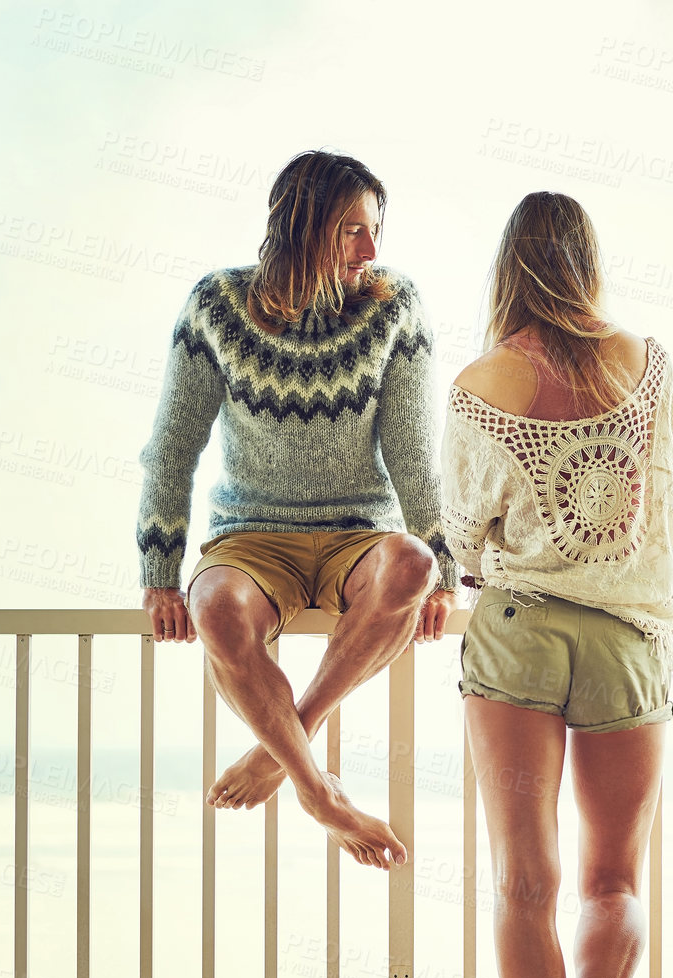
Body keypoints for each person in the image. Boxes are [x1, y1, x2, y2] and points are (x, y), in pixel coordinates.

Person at [441, 192, 673, 978]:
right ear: (586, 260)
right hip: (626, 643)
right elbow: (669, 511)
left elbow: (465, 538)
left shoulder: (481, 381)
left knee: (524, 881)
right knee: (611, 877)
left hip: (515, 638)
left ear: (509, 263)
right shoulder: (651, 366)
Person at [136, 150, 456, 871]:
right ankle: (319, 792)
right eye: (350, 230)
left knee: (412, 562)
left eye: (374, 229)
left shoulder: (393, 306)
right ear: (300, 226)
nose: (370, 250)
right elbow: (171, 447)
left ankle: (283, 753)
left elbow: (413, 454)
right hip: (251, 538)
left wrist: (447, 567)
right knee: (213, 602)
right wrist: (160, 571)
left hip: (358, 536)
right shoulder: (217, 305)